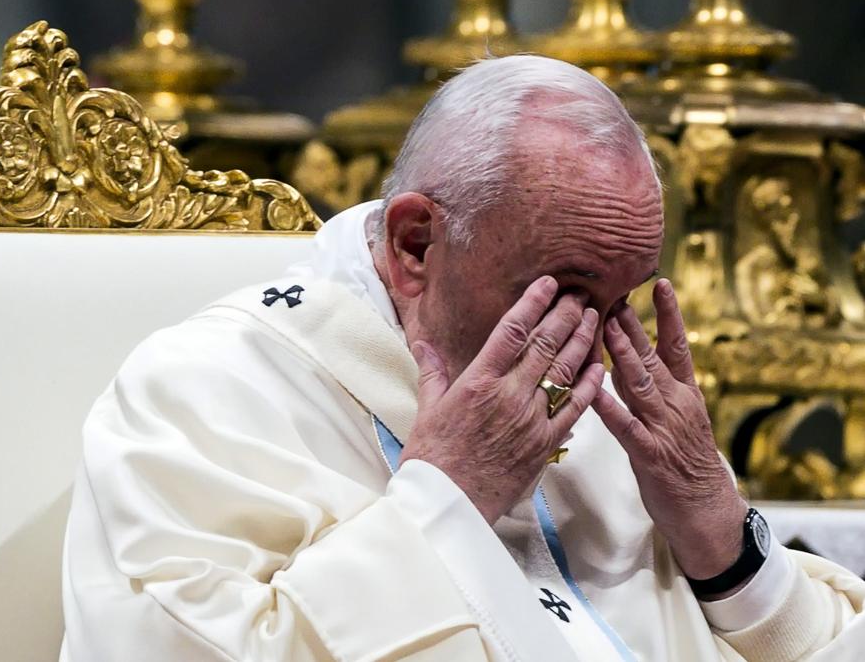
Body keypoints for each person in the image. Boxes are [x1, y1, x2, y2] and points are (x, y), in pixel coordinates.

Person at [60, 55, 865, 661]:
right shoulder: (205, 390)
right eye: (566, 290)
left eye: (623, 299)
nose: (593, 343)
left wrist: (725, 548)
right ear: (415, 244)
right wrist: (445, 501)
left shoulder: (612, 407)